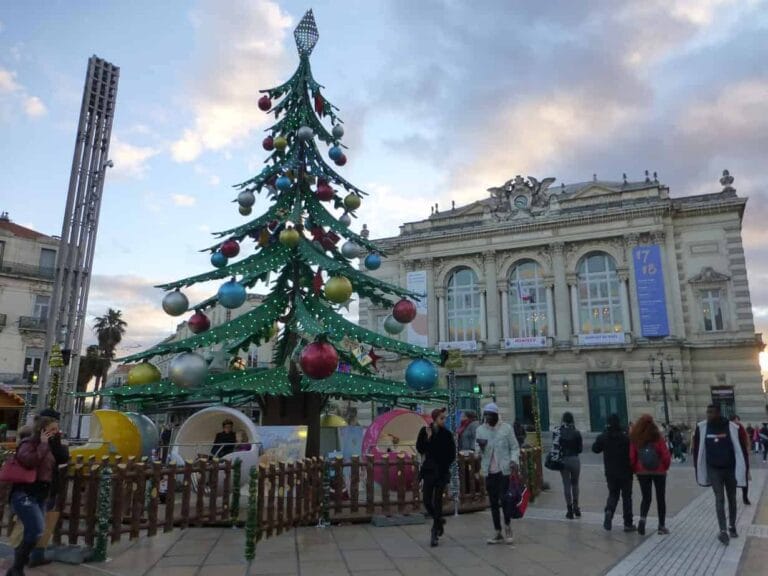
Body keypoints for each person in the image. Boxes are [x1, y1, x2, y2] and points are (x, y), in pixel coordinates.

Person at [6, 415, 60, 575]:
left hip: (40, 495)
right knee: (36, 530)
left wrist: (55, 443)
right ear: (42, 430)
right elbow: (29, 461)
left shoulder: (48, 446)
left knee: (34, 531)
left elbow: (57, 461)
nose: (56, 432)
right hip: (25, 493)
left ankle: (16, 569)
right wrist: (42, 445)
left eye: (57, 429)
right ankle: (17, 568)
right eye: (53, 429)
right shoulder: (27, 444)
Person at [693, 404, 749, 545]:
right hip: (714, 469)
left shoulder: (731, 427)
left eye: (711, 412)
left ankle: (732, 526)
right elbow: (697, 449)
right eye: (707, 412)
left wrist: (745, 469)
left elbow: (741, 449)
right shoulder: (702, 428)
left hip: (730, 469)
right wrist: (697, 468)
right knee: (719, 498)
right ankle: (723, 530)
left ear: (718, 413)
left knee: (732, 498)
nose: (708, 415)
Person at [476, 402, 519, 545]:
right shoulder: (480, 430)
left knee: (504, 500)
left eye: (490, 416)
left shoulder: (506, 428)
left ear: (495, 415)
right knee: (493, 502)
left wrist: (513, 460)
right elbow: (477, 449)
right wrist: (480, 449)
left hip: (503, 470)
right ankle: (497, 531)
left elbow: (514, 447)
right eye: (486, 416)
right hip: (489, 471)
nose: (487, 419)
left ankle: (508, 526)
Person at [416, 408, 456, 547]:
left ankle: (434, 532)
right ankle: (438, 520)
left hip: (441, 472)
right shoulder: (425, 431)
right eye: (441, 418)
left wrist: (445, 464)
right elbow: (420, 448)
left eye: (444, 418)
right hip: (428, 471)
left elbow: (452, 453)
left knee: (438, 501)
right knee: (427, 500)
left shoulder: (447, 434)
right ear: (435, 419)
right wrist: (427, 438)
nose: (444, 421)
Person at [592, 414, 635, 532]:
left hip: (610, 472)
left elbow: (595, 449)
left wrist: (603, 434)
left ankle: (609, 511)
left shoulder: (604, 437)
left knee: (613, 494)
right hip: (625, 472)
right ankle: (628, 523)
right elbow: (632, 453)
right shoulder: (625, 438)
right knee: (627, 497)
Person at [629, 414, 671, 536]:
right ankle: (661, 526)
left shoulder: (635, 438)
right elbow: (665, 455)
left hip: (642, 472)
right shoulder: (657, 437)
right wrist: (664, 467)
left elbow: (632, 457)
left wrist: (635, 469)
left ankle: (642, 520)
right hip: (659, 471)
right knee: (660, 498)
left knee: (646, 498)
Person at [557, 412, 583, 519]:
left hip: (564, 460)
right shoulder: (577, 433)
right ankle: (576, 507)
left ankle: (569, 510)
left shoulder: (560, 432)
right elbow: (580, 449)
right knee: (575, 484)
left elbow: (557, 447)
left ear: (563, 420)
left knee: (566, 484)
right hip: (575, 459)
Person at [729, 415, 751, 505]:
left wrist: (748, 450)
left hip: (743, 455)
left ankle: (745, 497)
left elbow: (747, 442)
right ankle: (732, 498)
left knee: (744, 477)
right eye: (735, 420)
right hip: (732, 457)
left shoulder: (742, 429)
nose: (737, 422)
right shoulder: (729, 430)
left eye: (738, 420)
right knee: (732, 479)